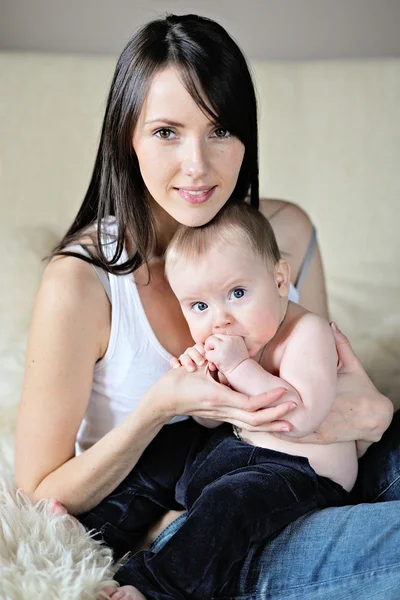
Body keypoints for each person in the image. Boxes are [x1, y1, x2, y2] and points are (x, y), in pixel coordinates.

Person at [14, 12, 399, 600]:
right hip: (214, 532)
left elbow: (317, 380)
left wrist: (373, 412)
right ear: (128, 138)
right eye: (167, 131)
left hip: (301, 476)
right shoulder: (82, 283)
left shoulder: (284, 232)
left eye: (220, 131)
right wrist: (154, 410)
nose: (198, 164)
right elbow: (38, 493)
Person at [93, 201, 356, 600]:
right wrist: (204, 383)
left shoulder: (306, 333)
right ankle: (95, 528)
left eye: (237, 293)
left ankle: (156, 587)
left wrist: (236, 368)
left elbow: (299, 417)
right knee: (165, 447)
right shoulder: (234, 338)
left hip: (300, 475)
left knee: (228, 504)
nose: (220, 320)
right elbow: (211, 424)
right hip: (238, 448)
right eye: (199, 306)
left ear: (280, 280)